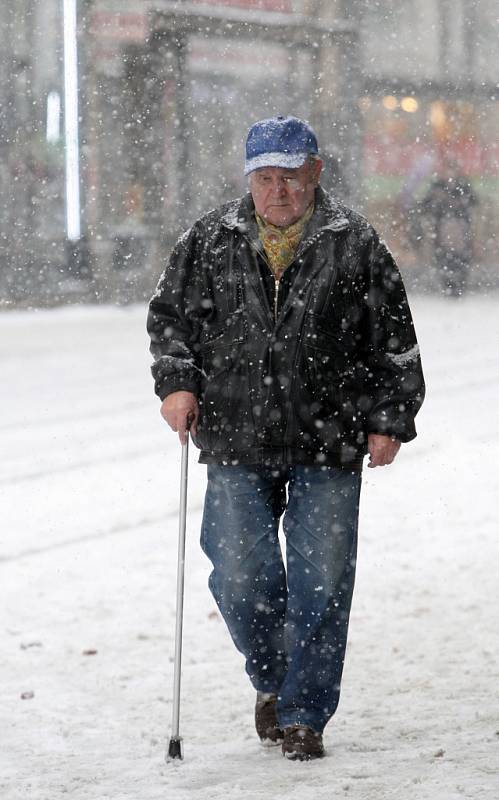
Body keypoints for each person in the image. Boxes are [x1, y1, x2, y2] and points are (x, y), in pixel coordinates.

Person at [147, 115, 425, 760]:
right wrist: (176, 384)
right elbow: (171, 321)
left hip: (330, 434)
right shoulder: (209, 239)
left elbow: (395, 340)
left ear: (316, 172)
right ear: (250, 178)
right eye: (267, 178)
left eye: (292, 178)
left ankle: (305, 712)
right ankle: (274, 680)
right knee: (241, 578)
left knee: (323, 583)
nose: (280, 191)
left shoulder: (355, 242)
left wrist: (390, 418)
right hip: (236, 435)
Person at [422, 161, 477, 297]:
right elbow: (425, 205)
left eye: (452, 171)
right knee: (444, 254)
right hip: (441, 227)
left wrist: (461, 202)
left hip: (461, 226)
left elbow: (474, 201)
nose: (449, 174)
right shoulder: (437, 186)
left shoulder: (463, 186)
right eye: (446, 171)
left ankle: (459, 284)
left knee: (460, 255)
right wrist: (437, 200)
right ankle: (447, 283)